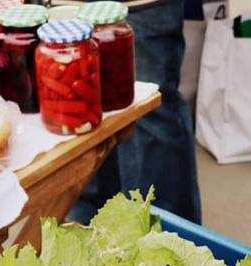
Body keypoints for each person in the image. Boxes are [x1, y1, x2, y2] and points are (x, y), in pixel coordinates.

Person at [69, 0, 202, 224]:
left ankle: (168, 241)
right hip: (68, 9)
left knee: (149, 114)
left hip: (140, 7)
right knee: (81, 113)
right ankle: (93, 236)